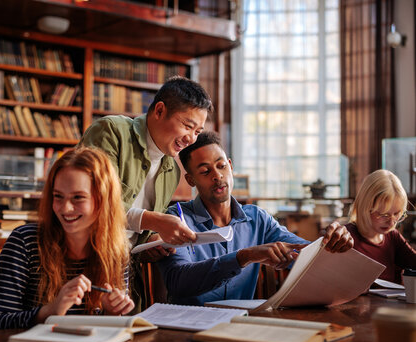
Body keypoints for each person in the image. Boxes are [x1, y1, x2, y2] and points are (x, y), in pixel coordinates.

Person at [157, 131, 354, 305]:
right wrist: (244, 256)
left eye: (221, 166)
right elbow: (178, 283)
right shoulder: (176, 219)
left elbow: (305, 255)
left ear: (231, 166)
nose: (217, 176)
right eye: (205, 171)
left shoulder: (257, 218)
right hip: (188, 331)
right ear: (190, 179)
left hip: (241, 327)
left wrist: (330, 245)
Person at [80, 76, 213, 310]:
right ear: (159, 110)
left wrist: (152, 243)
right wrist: (155, 220)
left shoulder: (171, 170)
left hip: (126, 273)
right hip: (86, 265)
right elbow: (91, 204)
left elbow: (136, 234)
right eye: (187, 125)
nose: (191, 138)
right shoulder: (111, 132)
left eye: (198, 131)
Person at [0, 147, 134, 329]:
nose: (65, 208)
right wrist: (50, 311)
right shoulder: (24, 242)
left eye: (78, 198)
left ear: (103, 201)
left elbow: (106, 331)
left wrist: (112, 312)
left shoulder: (117, 250)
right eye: (58, 196)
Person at [346, 169, 416, 284]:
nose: (392, 222)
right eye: (384, 215)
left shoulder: (393, 237)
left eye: (397, 214)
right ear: (365, 208)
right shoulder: (347, 237)